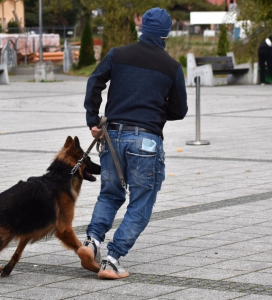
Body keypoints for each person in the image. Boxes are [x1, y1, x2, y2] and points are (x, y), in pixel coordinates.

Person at [77, 7, 188, 279]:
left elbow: (95, 81)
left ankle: (92, 242)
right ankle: (112, 260)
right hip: (146, 142)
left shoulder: (118, 54)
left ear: (142, 29)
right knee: (140, 202)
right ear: (165, 36)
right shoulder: (172, 67)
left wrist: (93, 118)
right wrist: (156, 113)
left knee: (110, 194)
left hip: (112, 136)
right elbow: (180, 110)